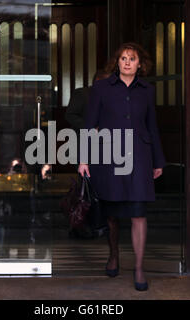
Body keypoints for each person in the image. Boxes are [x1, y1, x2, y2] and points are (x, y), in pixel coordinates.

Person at [78, 42, 166, 291]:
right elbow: (89, 125)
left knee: (139, 214)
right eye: (123, 58)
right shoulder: (101, 88)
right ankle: (114, 254)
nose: (127, 62)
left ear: (141, 64)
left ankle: (139, 268)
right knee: (112, 214)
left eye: (132, 58)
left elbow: (153, 126)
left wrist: (158, 160)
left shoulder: (147, 90)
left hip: (140, 156)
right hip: (110, 156)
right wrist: (84, 159)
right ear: (117, 62)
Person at [65, 69, 111, 239]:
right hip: (85, 146)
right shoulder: (82, 94)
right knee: (86, 189)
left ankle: (100, 223)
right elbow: (70, 115)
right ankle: (85, 224)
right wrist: (90, 127)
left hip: (106, 148)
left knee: (101, 188)